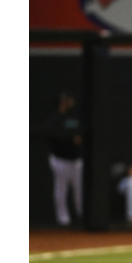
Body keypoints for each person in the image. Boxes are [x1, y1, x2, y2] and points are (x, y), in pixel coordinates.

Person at [43, 92, 84, 226]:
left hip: (76, 159)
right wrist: (70, 139)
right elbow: (53, 136)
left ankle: (82, 215)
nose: (71, 102)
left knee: (79, 190)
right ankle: (63, 219)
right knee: (61, 189)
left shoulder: (75, 116)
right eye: (67, 100)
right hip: (60, 159)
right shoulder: (55, 118)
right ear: (62, 102)